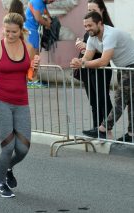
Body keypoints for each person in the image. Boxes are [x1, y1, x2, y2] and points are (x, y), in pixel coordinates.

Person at [0, 13, 40, 198]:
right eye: (7, 31)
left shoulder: (28, 48)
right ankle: (0, 184)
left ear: (21, 31)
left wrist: (35, 68)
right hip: (0, 101)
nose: (10, 35)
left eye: (14, 32)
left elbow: (31, 77)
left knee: (23, 148)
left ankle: (9, 167)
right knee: (8, 147)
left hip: (21, 102)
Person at [70, 11, 134, 142]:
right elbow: (87, 56)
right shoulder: (92, 37)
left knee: (120, 100)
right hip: (124, 68)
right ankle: (132, 135)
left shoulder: (110, 34)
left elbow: (103, 61)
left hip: (131, 67)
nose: (87, 29)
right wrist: (79, 62)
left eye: (90, 25)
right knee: (130, 102)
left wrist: (82, 63)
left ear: (100, 23)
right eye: (85, 26)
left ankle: (103, 129)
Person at [74, 0, 113, 133]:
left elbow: (107, 50)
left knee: (103, 99)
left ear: (102, 10)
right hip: (88, 68)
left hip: (101, 68)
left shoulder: (107, 28)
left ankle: (107, 130)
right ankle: (96, 128)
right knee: (93, 101)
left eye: (93, 10)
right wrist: (82, 46)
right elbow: (88, 47)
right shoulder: (89, 26)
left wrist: (86, 47)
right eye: (88, 10)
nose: (90, 12)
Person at [24, 0, 55, 88]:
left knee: (34, 56)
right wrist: (48, 24)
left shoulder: (42, 3)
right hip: (31, 31)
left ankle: (31, 79)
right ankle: (32, 80)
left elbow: (46, 12)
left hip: (33, 31)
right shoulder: (37, 1)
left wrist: (49, 19)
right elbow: (38, 18)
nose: (52, 1)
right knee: (34, 56)